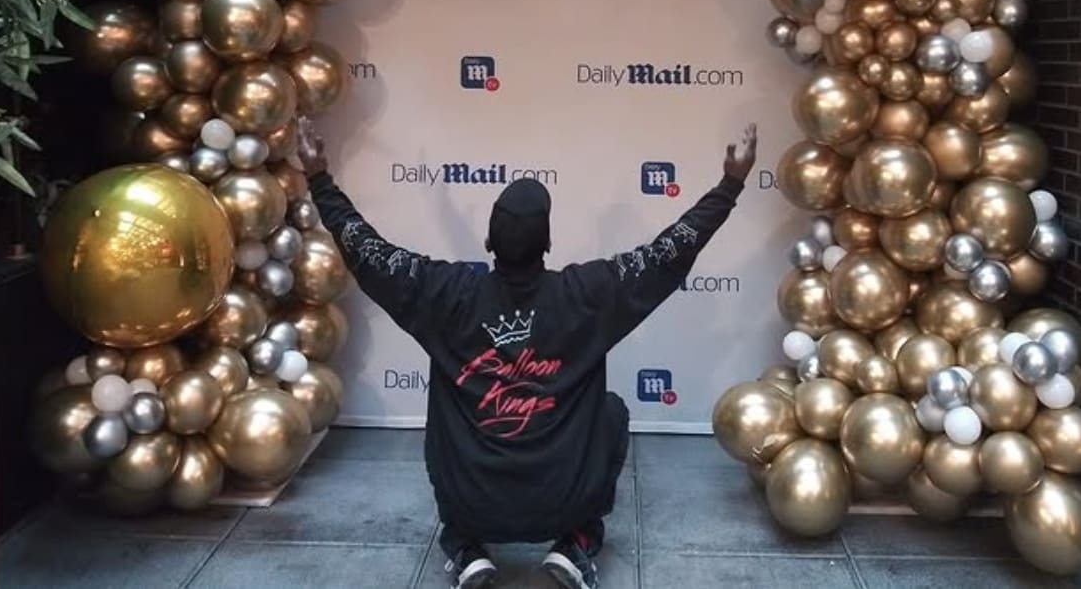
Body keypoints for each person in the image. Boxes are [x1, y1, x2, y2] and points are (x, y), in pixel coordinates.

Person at [298, 119, 757, 589]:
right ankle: (576, 544)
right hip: (562, 499)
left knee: (445, 415)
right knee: (613, 413)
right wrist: (731, 184)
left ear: (489, 243)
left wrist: (318, 177)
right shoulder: (587, 294)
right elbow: (669, 253)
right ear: (549, 245)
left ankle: (465, 547)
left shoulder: (444, 293)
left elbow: (365, 249)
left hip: (470, 498)